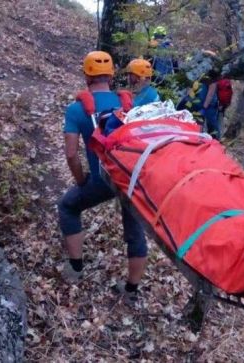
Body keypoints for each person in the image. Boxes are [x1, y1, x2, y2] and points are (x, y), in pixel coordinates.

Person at [57, 50, 148, 305]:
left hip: (101, 179)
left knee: (68, 206)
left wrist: (80, 180)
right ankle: (131, 291)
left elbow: (72, 154)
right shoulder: (128, 103)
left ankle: (75, 267)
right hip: (130, 176)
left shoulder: (77, 110)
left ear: (87, 75)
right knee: (135, 229)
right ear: (111, 74)